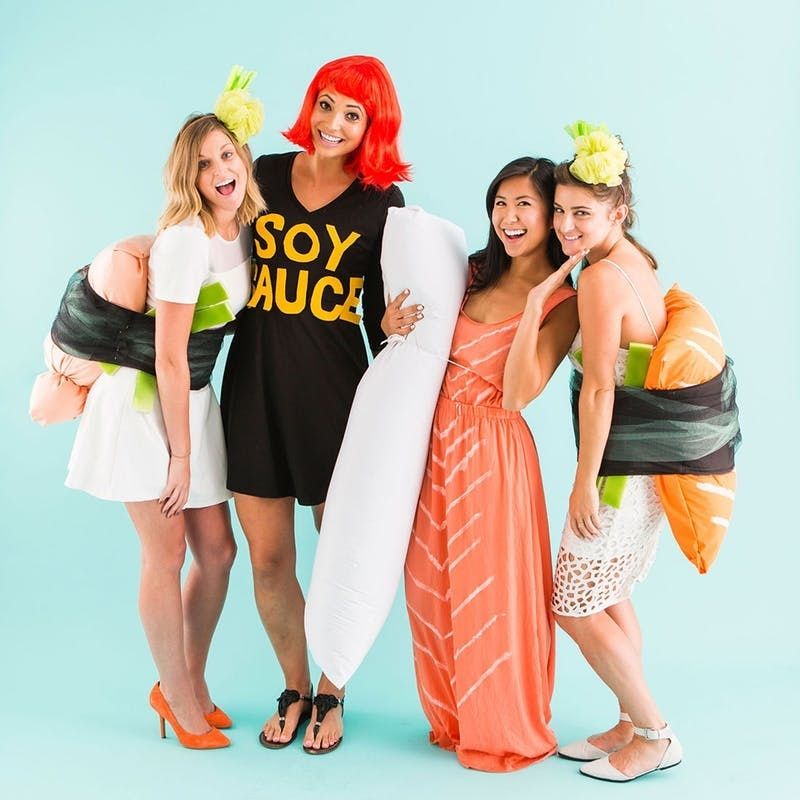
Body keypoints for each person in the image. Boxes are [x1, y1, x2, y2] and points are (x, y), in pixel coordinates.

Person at [64, 69, 266, 749]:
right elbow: (171, 356)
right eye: (203, 164)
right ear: (188, 177)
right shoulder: (185, 241)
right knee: (168, 551)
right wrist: (180, 457)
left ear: (243, 158)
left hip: (192, 402)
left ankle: (187, 682)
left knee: (220, 552)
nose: (220, 171)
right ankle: (176, 696)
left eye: (227, 155)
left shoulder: (245, 231)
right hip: (146, 405)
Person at [220, 55, 412, 754]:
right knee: (268, 560)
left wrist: (388, 328)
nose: (333, 123)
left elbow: (381, 315)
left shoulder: (381, 202)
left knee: (340, 558)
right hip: (252, 389)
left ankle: (334, 690)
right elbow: (212, 253)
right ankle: (295, 687)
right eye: (326, 104)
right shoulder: (263, 174)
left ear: (372, 127)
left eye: (352, 114)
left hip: (336, 397)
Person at [404, 157, 580, 771]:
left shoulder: (565, 302)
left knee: (492, 592)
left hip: (495, 451)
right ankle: (453, 719)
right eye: (500, 203)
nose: (509, 217)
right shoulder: (472, 272)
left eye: (525, 204)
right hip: (434, 441)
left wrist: (533, 306)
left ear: (552, 216)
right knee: (430, 586)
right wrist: (391, 321)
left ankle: (501, 725)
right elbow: (420, 344)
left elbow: (519, 393)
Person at [550, 120, 682, 782]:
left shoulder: (602, 279)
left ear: (617, 210)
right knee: (610, 595)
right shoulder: (638, 263)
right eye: (560, 210)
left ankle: (655, 734)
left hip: (616, 470)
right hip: (643, 463)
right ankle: (629, 722)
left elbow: (601, 388)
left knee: (572, 602)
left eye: (582, 212)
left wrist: (584, 480)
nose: (565, 225)